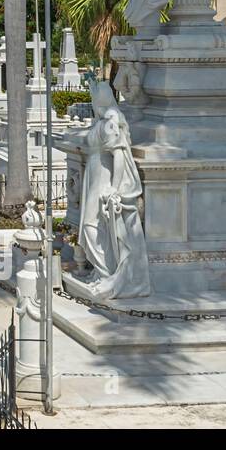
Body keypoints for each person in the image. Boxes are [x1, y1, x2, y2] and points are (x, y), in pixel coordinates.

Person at [76, 81, 151, 298]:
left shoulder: (111, 120)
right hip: (94, 173)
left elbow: (119, 154)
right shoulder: (104, 118)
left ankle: (108, 272)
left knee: (92, 224)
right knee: (92, 224)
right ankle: (102, 271)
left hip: (103, 176)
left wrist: (115, 187)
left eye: (94, 96)